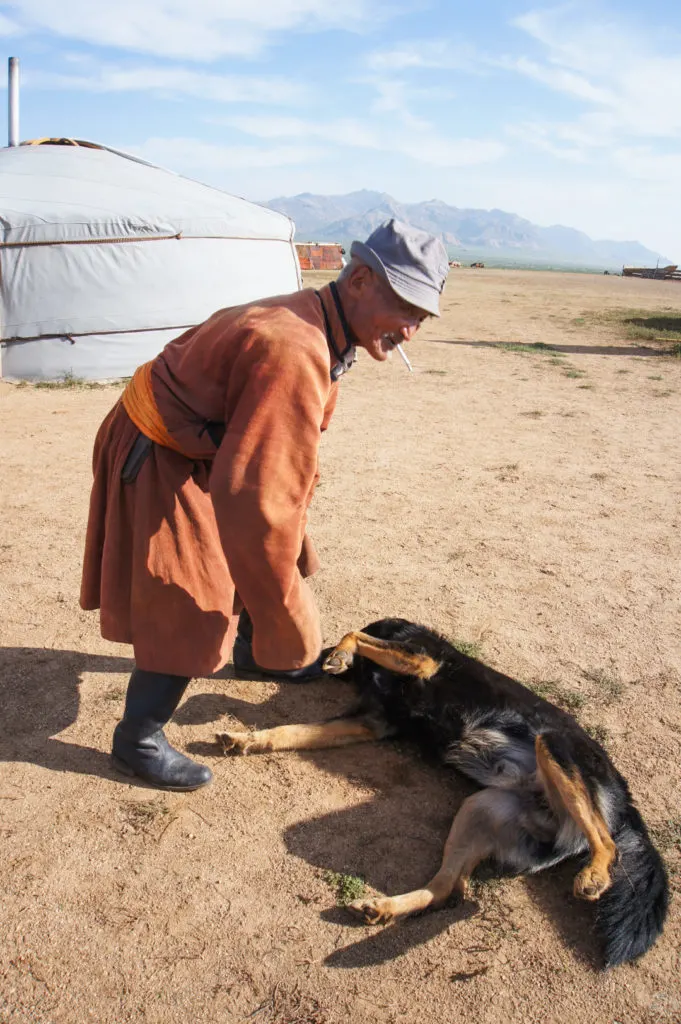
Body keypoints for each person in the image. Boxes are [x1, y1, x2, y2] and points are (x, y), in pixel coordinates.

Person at [80, 219, 449, 792]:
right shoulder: (293, 345)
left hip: (203, 444)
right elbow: (257, 501)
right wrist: (287, 614)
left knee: (283, 536)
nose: (410, 328)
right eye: (403, 304)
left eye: (420, 316)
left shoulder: (323, 321)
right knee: (191, 594)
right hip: (158, 449)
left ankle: (253, 653)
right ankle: (138, 740)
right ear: (357, 280)